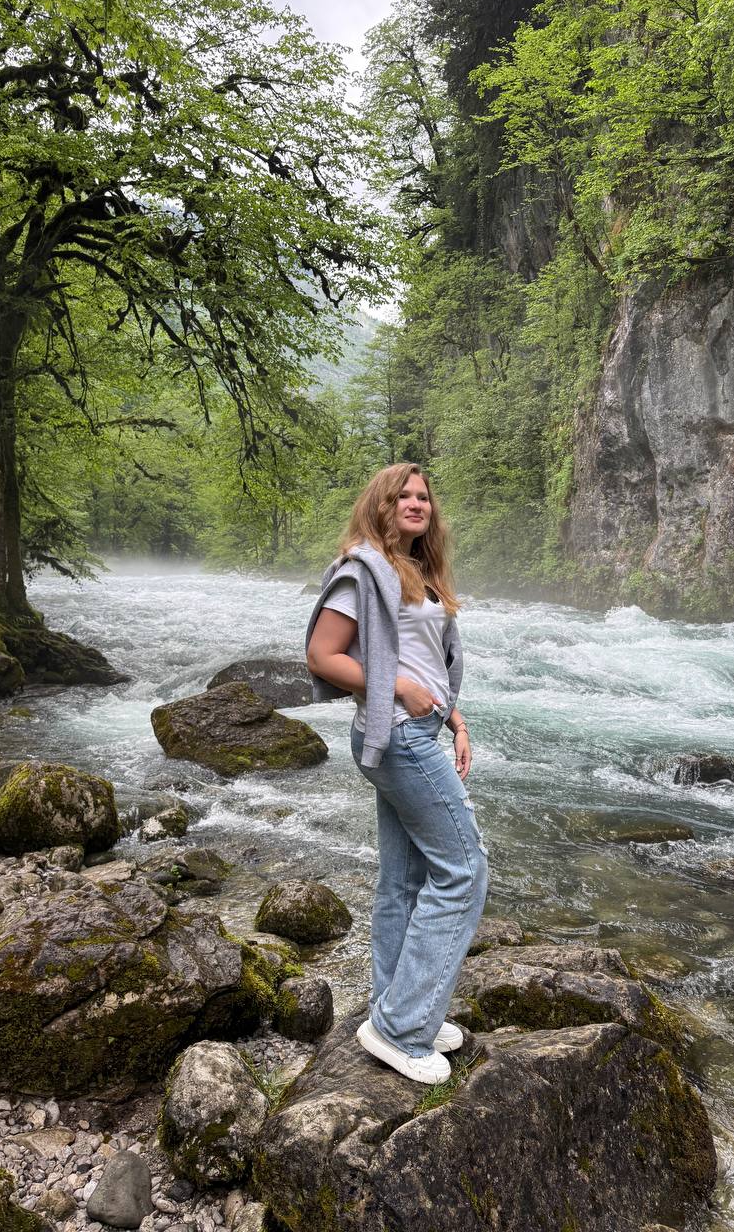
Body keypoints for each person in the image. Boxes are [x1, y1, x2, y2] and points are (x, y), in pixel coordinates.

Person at [305, 463, 488, 1085]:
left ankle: (401, 1006)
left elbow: (427, 663)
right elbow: (323, 656)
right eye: (402, 496)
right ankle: (401, 1027)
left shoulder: (418, 573)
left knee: (405, 878)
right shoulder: (362, 572)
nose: (416, 505)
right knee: (464, 869)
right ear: (378, 507)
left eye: (423, 497)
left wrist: (456, 719)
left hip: (421, 729)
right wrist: (400, 689)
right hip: (399, 734)